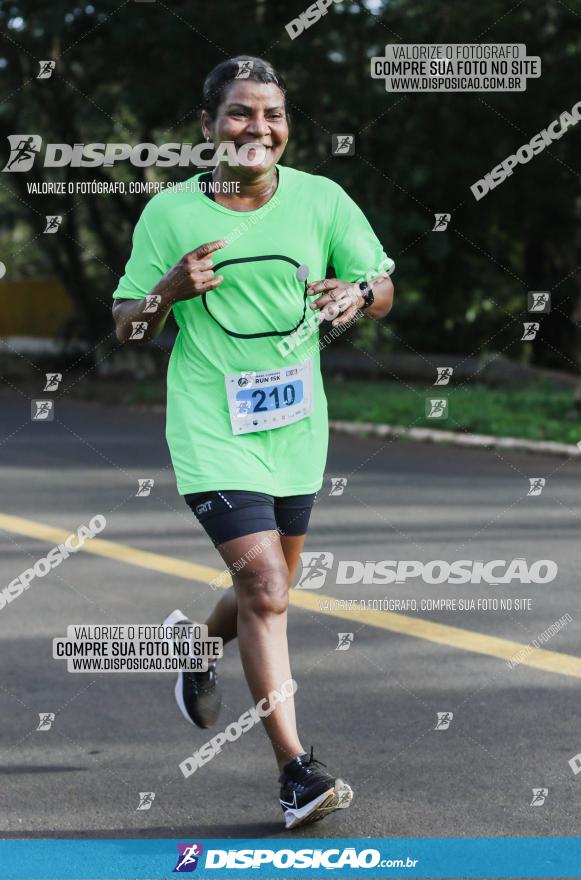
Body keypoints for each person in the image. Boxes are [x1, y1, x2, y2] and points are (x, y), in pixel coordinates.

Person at [112, 55, 394, 830]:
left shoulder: (322, 199)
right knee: (266, 589)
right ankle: (296, 773)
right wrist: (167, 291)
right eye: (239, 114)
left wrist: (357, 291)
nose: (256, 128)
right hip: (210, 426)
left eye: (271, 114)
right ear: (208, 126)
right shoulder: (169, 213)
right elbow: (127, 325)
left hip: (296, 427)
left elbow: (380, 288)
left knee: (268, 589)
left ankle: (196, 645)